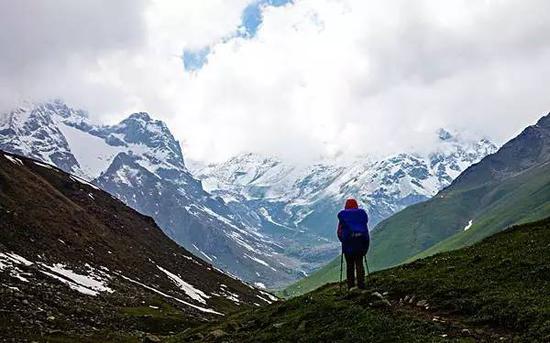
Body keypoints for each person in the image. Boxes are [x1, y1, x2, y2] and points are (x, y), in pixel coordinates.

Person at [337, 198, 370, 290]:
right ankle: (361, 285)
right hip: (360, 245)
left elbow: (339, 232)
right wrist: (365, 245)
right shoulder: (361, 216)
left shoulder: (344, 217)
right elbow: (365, 232)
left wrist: (344, 240)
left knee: (350, 266)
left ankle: (351, 286)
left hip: (348, 246)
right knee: (359, 264)